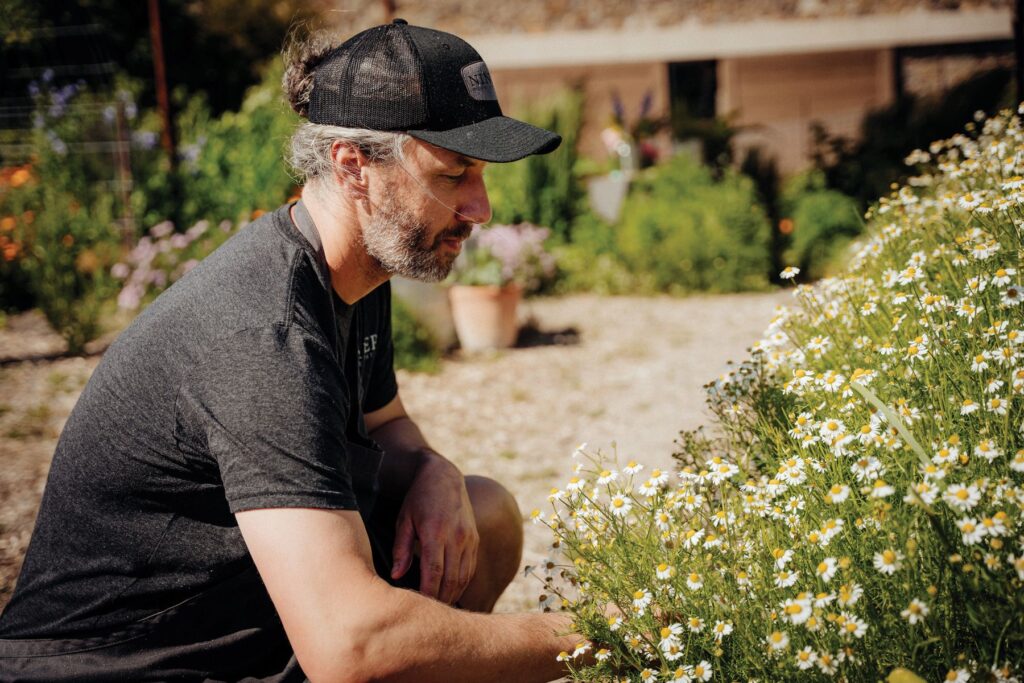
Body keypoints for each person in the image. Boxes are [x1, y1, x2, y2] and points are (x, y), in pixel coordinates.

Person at [0, 19, 583, 682]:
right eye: (454, 175)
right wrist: (591, 633)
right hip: (124, 667)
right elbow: (349, 651)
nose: (480, 208)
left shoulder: (356, 271)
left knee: (483, 515)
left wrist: (432, 469)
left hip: (243, 618)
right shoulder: (263, 331)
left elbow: (384, 422)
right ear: (353, 166)